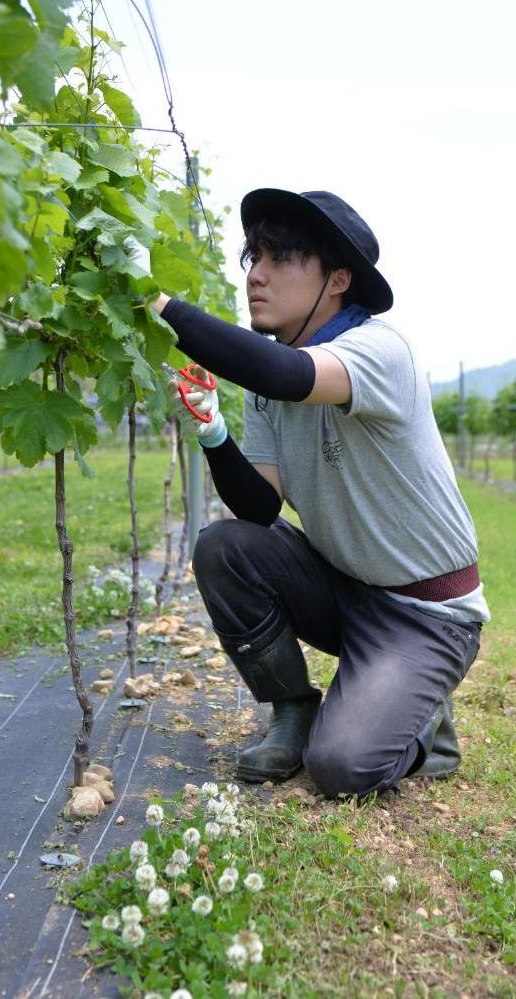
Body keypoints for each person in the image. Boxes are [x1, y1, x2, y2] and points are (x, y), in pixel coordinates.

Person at [150, 188, 489, 797]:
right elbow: (259, 507)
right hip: (344, 589)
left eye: (279, 259)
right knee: (225, 547)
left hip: (427, 615)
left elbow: (283, 373)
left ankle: (421, 723)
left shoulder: (380, 352)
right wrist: (214, 431)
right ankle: (292, 708)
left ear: (337, 279)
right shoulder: (267, 385)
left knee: (339, 767)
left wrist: (158, 306)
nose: (256, 274)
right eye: (253, 257)